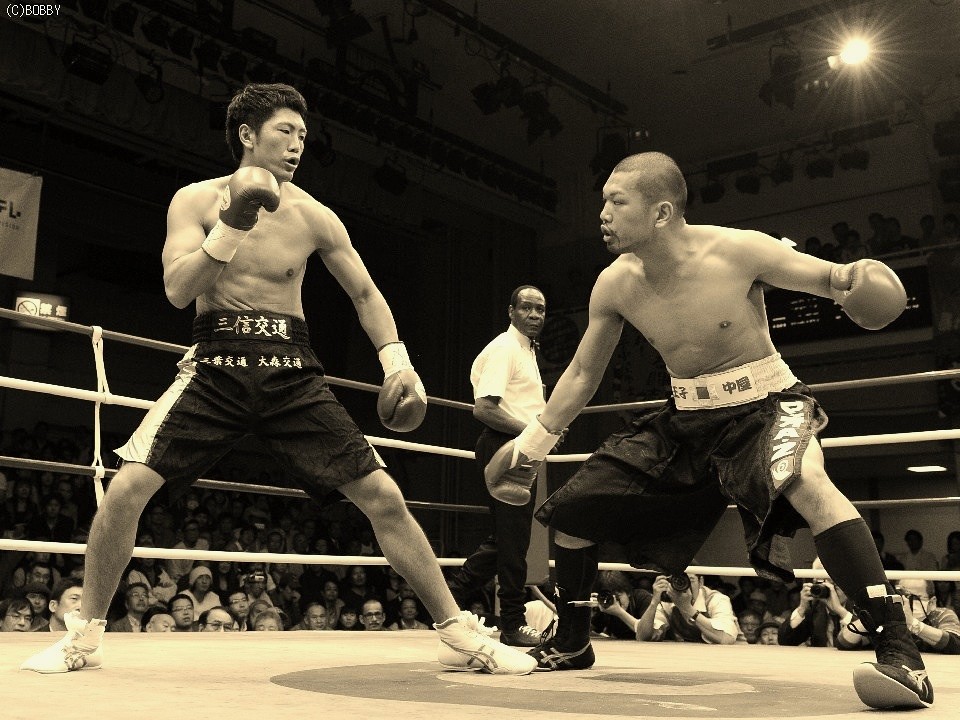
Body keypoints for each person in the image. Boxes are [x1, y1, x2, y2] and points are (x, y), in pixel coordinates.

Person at [20, 83, 534, 677]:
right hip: (216, 362)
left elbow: (365, 293)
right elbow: (178, 289)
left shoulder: (313, 215)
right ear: (247, 135)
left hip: (291, 368)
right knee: (125, 490)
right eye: (285, 132)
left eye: (303, 136)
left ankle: (457, 633)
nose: (297, 146)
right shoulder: (195, 200)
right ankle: (84, 636)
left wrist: (397, 363)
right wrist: (232, 225)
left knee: (384, 497)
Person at [485, 152, 930, 708]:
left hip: (766, 404)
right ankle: (573, 641)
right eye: (603, 201)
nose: (602, 213)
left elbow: (834, 279)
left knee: (807, 482)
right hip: (686, 420)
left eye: (617, 201)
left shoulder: (739, 250)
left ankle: (900, 650)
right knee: (573, 511)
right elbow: (581, 374)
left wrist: (854, 281)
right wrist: (531, 446)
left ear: (661, 212)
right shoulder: (614, 283)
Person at [446, 285, 549, 647]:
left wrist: (543, 431)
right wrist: (537, 431)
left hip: (519, 448)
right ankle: (513, 623)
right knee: (514, 542)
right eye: (527, 307)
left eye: (540, 309)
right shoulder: (505, 348)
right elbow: (484, 409)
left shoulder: (525, 350)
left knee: (507, 537)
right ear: (511, 311)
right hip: (505, 448)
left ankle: (448, 597)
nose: (534, 314)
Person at [837, 578, 960, 655]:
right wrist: (875, 613)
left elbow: (955, 643)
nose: (905, 601)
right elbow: (843, 642)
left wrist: (913, 624)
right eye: (902, 595)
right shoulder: (888, 619)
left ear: (932, 602)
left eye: (913, 597)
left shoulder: (942, 615)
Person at [635, 572, 738, 644]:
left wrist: (687, 608)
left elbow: (726, 639)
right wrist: (654, 602)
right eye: (678, 580)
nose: (684, 585)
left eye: (690, 580)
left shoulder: (716, 599)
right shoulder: (668, 601)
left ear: (701, 582)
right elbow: (642, 637)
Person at [778, 559, 853, 647]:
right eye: (823, 583)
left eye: (835, 584)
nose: (831, 590)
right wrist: (802, 608)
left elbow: (865, 638)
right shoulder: (815, 608)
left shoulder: (861, 607)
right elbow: (785, 641)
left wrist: (840, 611)